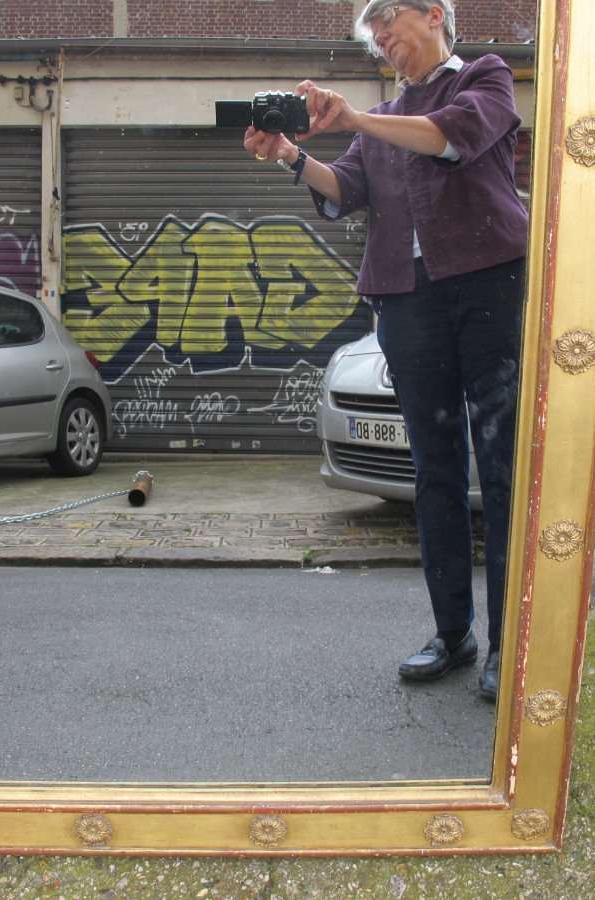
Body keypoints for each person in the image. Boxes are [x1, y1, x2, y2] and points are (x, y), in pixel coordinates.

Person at [244, 0, 528, 702]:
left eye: (389, 21)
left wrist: (354, 118)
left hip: (489, 284)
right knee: (433, 469)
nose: (383, 39)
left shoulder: (485, 78)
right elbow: (346, 192)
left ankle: (509, 646)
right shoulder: (380, 117)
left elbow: (450, 138)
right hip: (406, 299)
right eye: (373, 34)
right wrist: (292, 157)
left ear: (435, 13)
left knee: (500, 467)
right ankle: (453, 634)